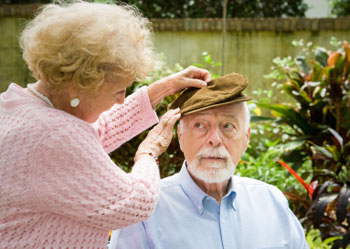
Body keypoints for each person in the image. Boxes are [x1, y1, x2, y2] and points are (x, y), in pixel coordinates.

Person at [0, 2, 210, 249]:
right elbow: (135, 203)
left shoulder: (16, 106)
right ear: (79, 84)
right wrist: (148, 153)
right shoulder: (56, 135)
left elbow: (94, 134)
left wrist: (160, 90)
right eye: (118, 91)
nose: (121, 99)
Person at [114, 73, 310, 249]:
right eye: (200, 125)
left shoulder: (271, 202)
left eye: (228, 126)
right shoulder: (143, 214)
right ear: (180, 135)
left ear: (246, 138)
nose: (215, 139)